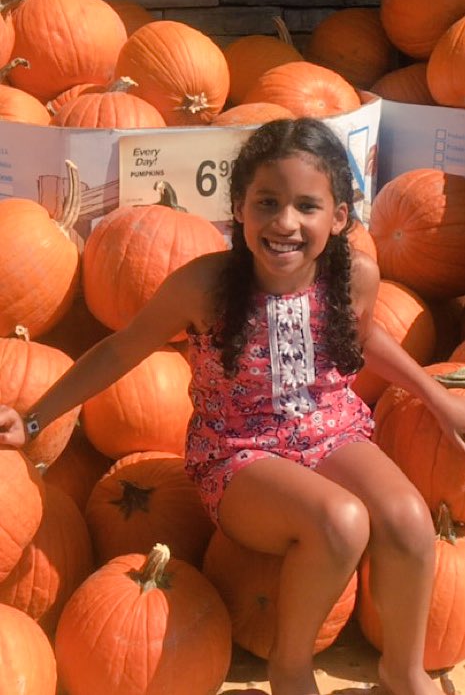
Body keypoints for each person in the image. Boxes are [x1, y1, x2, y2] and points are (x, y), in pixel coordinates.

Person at [1, 117, 465, 695]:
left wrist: (436, 397)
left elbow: (367, 338)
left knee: (410, 522)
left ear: (340, 216)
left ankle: (404, 668)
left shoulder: (355, 277)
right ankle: (289, 669)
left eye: (307, 206)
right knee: (341, 523)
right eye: (267, 202)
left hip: (331, 429)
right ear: (239, 208)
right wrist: (37, 416)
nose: (285, 223)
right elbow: (122, 348)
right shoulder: (204, 285)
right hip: (239, 451)